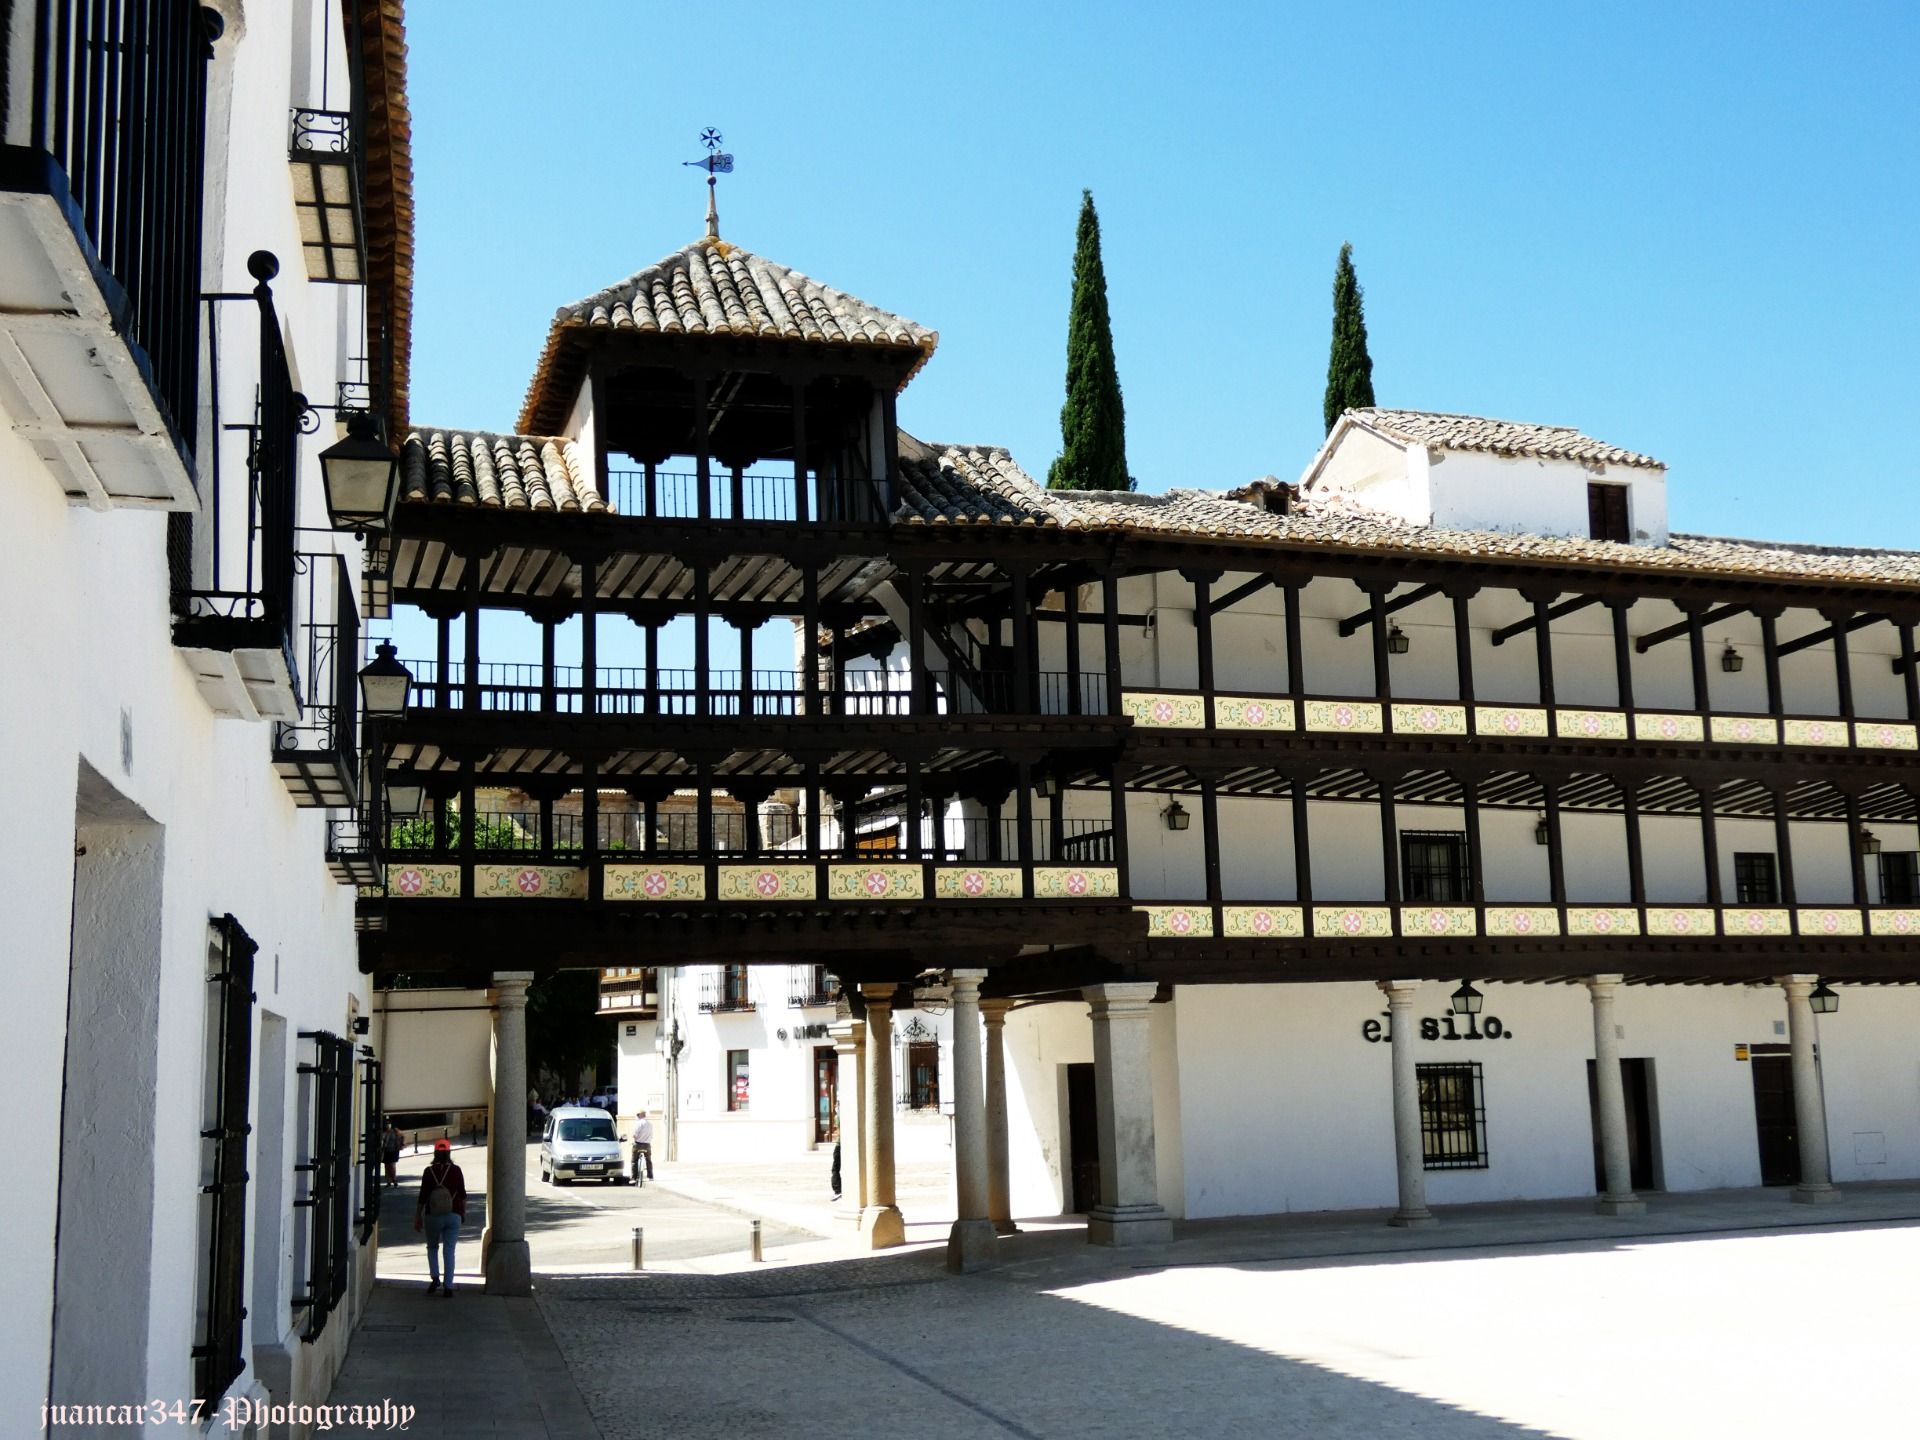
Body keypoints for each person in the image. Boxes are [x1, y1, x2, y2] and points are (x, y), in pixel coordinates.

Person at [413, 1138, 467, 1296]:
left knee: (432, 1247)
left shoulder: (428, 1172)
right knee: (449, 1250)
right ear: (449, 1153)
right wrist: (463, 1212)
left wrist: (418, 1216)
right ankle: (448, 1286)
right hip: (454, 1214)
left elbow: (423, 1196)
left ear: (435, 1153)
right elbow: (463, 1194)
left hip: (433, 1215)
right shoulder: (456, 1170)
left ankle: (435, 1277)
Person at [630, 1111, 654, 1181]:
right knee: (648, 1160)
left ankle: (633, 1178)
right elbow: (651, 1135)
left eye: (638, 1115)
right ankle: (650, 1176)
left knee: (634, 1161)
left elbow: (635, 1135)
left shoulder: (639, 1123)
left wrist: (634, 1138)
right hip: (647, 1145)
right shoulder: (650, 1124)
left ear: (640, 1115)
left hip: (638, 1145)